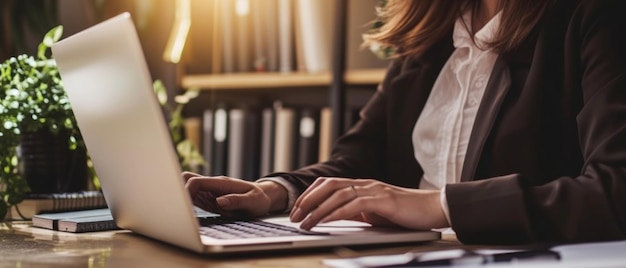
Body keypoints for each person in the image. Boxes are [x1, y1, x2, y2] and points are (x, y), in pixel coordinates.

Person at [184, 0, 626, 245]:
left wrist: (436, 206)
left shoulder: (594, 17)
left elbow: (615, 190)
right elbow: (356, 160)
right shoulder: (429, 31)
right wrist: (273, 192)